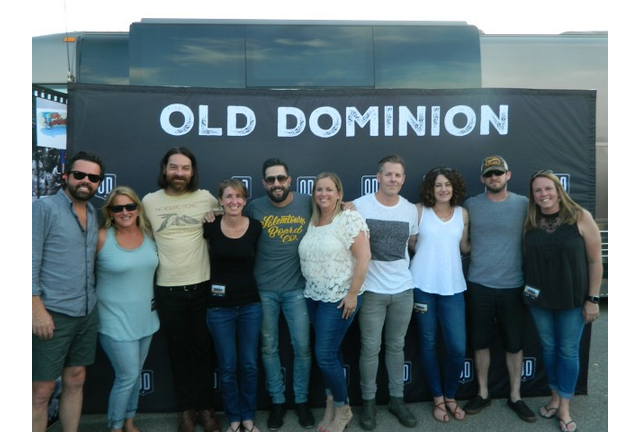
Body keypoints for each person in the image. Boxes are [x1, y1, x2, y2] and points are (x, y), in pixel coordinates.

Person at [142, 146, 223, 432]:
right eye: (174, 167)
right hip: (168, 290)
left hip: (203, 287)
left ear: (192, 172)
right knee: (178, 353)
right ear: (164, 169)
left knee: (204, 351)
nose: (179, 173)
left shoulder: (207, 199)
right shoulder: (149, 202)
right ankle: (186, 411)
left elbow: (233, 219)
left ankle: (207, 409)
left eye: (185, 168)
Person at [523, 170, 602, 432]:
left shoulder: (580, 216)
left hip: (572, 299)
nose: (543, 194)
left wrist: (592, 299)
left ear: (559, 190)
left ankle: (565, 407)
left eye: (548, 188)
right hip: (539, 300)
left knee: (567, 351)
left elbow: (595, 261)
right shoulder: (530, 220)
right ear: (532, 195)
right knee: (548, 348)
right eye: (537, 190)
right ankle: (555, 397)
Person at [32, 151, 104, 432]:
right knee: (41, 392)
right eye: (79, 175)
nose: (86, 181)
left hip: (86, 311)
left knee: (76, 378)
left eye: (93, 178)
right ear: (66, 175)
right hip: (52, 313)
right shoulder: (44, 208)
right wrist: (36, 310)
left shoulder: (94, 213)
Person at [462, 155, 536, 423]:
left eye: (498, 173)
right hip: (479, 284)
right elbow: (463, 244)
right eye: (489, 174)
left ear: (508, 175)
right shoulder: (470, 205)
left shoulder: (524, 205)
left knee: (514, 344)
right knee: (480, 342)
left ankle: (515, 396)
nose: (494, 178)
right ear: (482, 179)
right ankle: (482, 393)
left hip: (514, 286)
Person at [245, 158, 315, 430]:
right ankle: (277, 402)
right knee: (268, 348)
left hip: (297, 289)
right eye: (271, 179)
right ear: (264, 183)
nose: (276, 184)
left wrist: (348, 207)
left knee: (302, 348)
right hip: (263, 291)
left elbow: (332, 213)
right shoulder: (254, 208)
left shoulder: (307, 203)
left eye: (281, 178)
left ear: (289, 180)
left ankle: (301, 401)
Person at [298, 173, 371, 432]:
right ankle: (331, 404)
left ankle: (343, 408)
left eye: (329, 189)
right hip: (314, 297)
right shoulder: (313, 220)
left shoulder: (349, 218)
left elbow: (364, 257)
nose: (323, 194)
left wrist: (352, 294)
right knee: (333, 352)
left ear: (339, 193)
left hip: (340, 297)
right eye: (319, 189)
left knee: (325, 355)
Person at [353, 154, 418, 430]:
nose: (393, 179)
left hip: (403, 290)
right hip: (370, 291)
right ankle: (368, 403)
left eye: (397, 175)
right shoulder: (359, 206)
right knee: (370, 348)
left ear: (403, 179)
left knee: (396, 346)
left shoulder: (410, 210)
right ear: (378, 177)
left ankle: (396, 400)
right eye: (388, 174)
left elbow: (412, 243)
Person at [96, 186, 160, 432]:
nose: (125, 212)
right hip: (114, 321)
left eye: (130, 206)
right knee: (127, 376)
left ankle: (129, 422)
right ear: (110, 212)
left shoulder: (149, 235)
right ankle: (115, 427)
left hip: (146, 319)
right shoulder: (102, 237)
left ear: (138, 208)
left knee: (135, 374)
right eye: (118, 208)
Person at [408, 166, 470, 423]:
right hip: (422, 286)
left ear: (454, 187)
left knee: (457, 347)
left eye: (447, 184)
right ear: (430, 189)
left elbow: (464, 247)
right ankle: (437, 398)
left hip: (453, 288)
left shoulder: (462, 214)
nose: (443, 189)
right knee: (428, 344)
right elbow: (412, 243)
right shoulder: (418, 211)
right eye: (438, 185)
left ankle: (451, 395)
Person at [203, 179, 263, 432]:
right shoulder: (210, 225)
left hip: (250, 305)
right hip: (219, 308)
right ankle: (234, 418)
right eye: (228, 196)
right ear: (220, 200)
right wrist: (210, 214)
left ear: (245, 200)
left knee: (249, 364)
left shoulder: (256, 227)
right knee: (227, 366)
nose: (233, 201)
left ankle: (248, 416)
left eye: (238, 196)